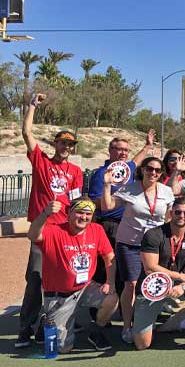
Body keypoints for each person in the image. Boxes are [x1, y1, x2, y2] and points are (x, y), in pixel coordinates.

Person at [16, 93, 84, 349]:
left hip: (65, 232)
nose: (66, 147)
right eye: (63, 143)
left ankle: (52, 325)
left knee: (63, 281)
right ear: (55, 144)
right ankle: (25, 328)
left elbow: (76, 203)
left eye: (70, 144)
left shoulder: (76, 172)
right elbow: (26, 132)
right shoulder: (41, 162)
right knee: (35, 279)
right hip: (43, 230)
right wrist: (32, 106)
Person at [27, 198, 118, 353]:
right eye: (79, 212)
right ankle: (47, 321)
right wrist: (45, 214)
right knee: (63, 348)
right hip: (59, 296)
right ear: (69, 213)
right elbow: (33, 235)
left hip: (85, 288)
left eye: (88, 214)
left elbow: (109, 256)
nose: (84, 217)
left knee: (112, 298)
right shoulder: (54, 230)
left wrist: (110, 282)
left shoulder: (96, 229)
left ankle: (95, 330)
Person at [101, 156, 175, 344]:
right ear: (142, 170)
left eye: (158, 170)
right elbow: (107, 207)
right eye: (150, 169)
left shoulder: (166, 192)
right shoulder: (129, 188)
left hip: (153, 246)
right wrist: (107, 185)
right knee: (131, 284)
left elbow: (167, 219)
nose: (153, 173)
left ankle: (146, 321)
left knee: (152, 282)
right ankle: (127, 325)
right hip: (130, 244)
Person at [132, 198, 185, 354]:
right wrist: (181, 276)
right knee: (142, 344)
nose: (181, 216)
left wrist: (183, 286)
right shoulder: (153, 234)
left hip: (179, 285)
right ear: (171, 213)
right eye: (177, 212)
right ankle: (144, 318)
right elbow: (150, 268)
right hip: (154, 286)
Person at [88, 132, 155, 244]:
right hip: (109, 224)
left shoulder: (127, 168)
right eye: (120, 149)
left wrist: (147, 146)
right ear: (110, 150)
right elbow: (94, 201)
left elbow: (136, 161)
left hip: (127, 223)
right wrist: (117, 201)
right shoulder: (101, 173)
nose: (123, 153)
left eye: (126, 150)